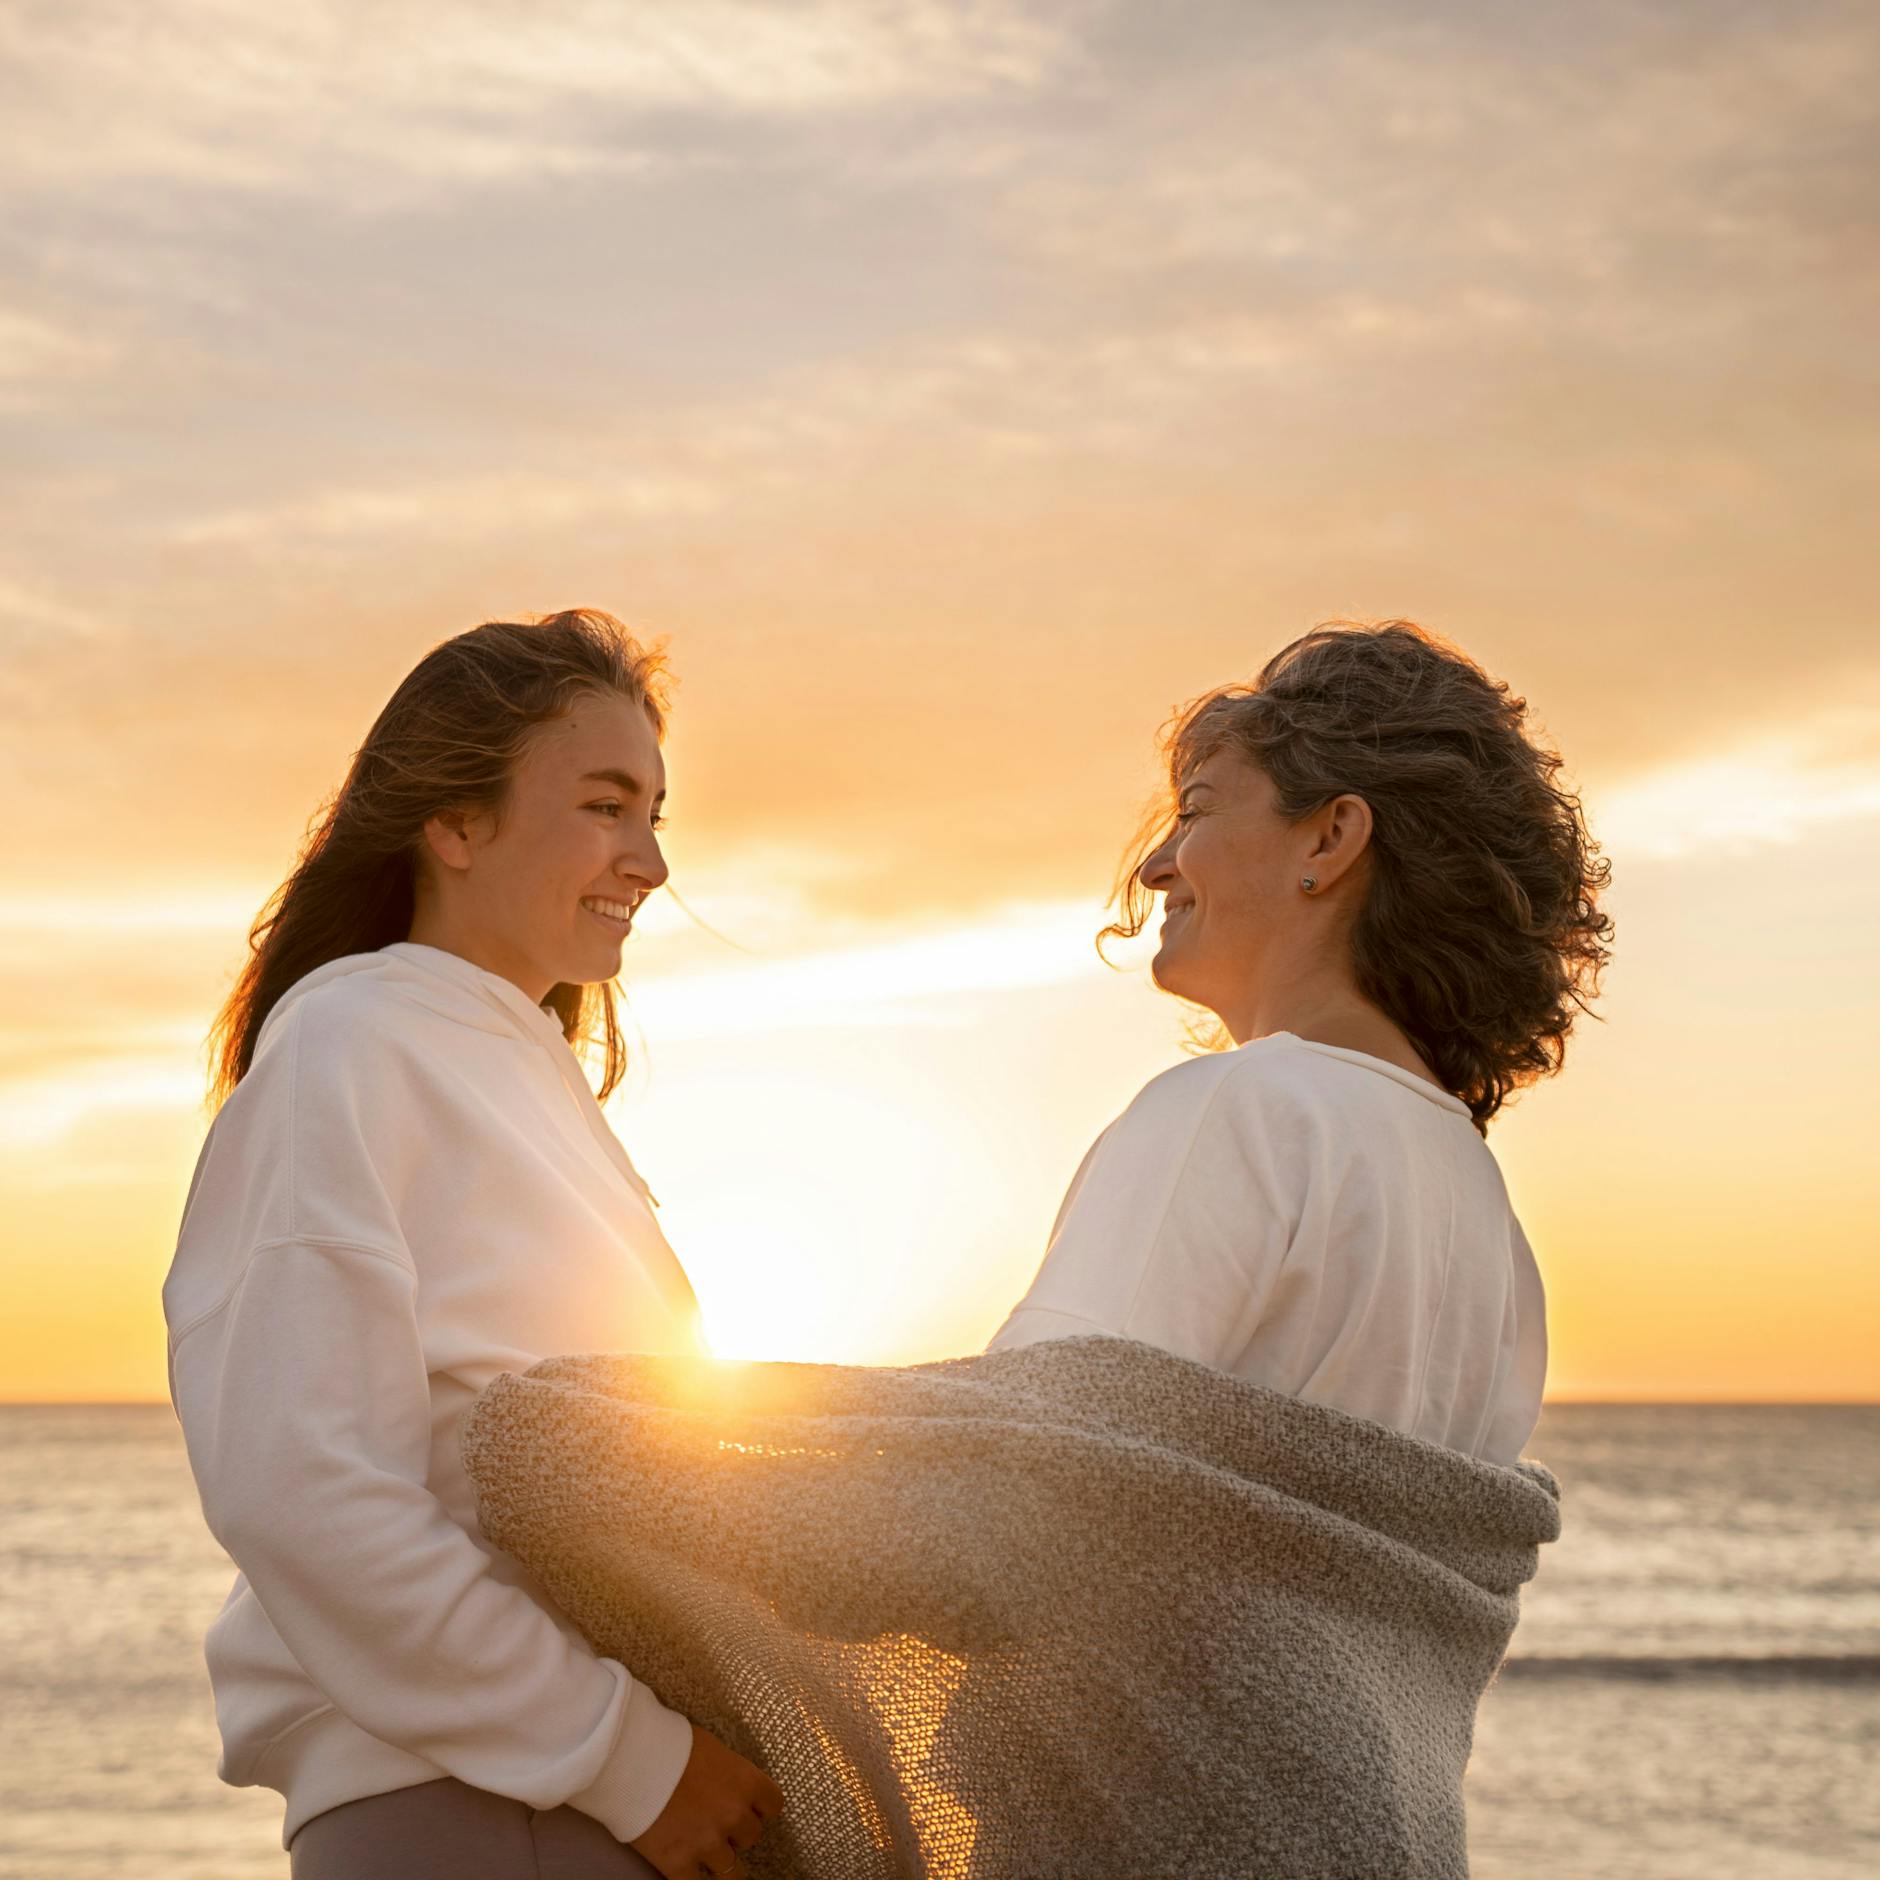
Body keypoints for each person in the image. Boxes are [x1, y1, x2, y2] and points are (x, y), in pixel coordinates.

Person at [162, 609, 783, 1880]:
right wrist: (634, 1760)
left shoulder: (519, 1073)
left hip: (567, 1799)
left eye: (657, 813)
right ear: (454, 822)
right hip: (476, 1807)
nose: (649, 860)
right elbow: (303, 1485)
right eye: (606, 805)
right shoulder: (351, 1044)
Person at [988, 619, 1614, 1465]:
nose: (1155, 868)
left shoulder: (1239, 1110)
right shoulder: (1488, 1217)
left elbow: (1016, 1466)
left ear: (1329, 838)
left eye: (1197, 812)